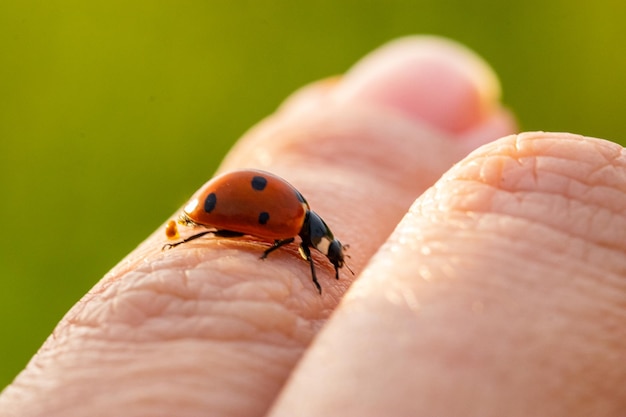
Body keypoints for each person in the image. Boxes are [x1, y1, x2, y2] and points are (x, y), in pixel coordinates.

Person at [1, 36, 624, 416]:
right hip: (216, 211)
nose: (323, 254)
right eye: (323, 250)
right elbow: (269, 236)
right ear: (311, 239)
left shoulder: (295, 224)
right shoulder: (292, 225)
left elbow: (280, 236)